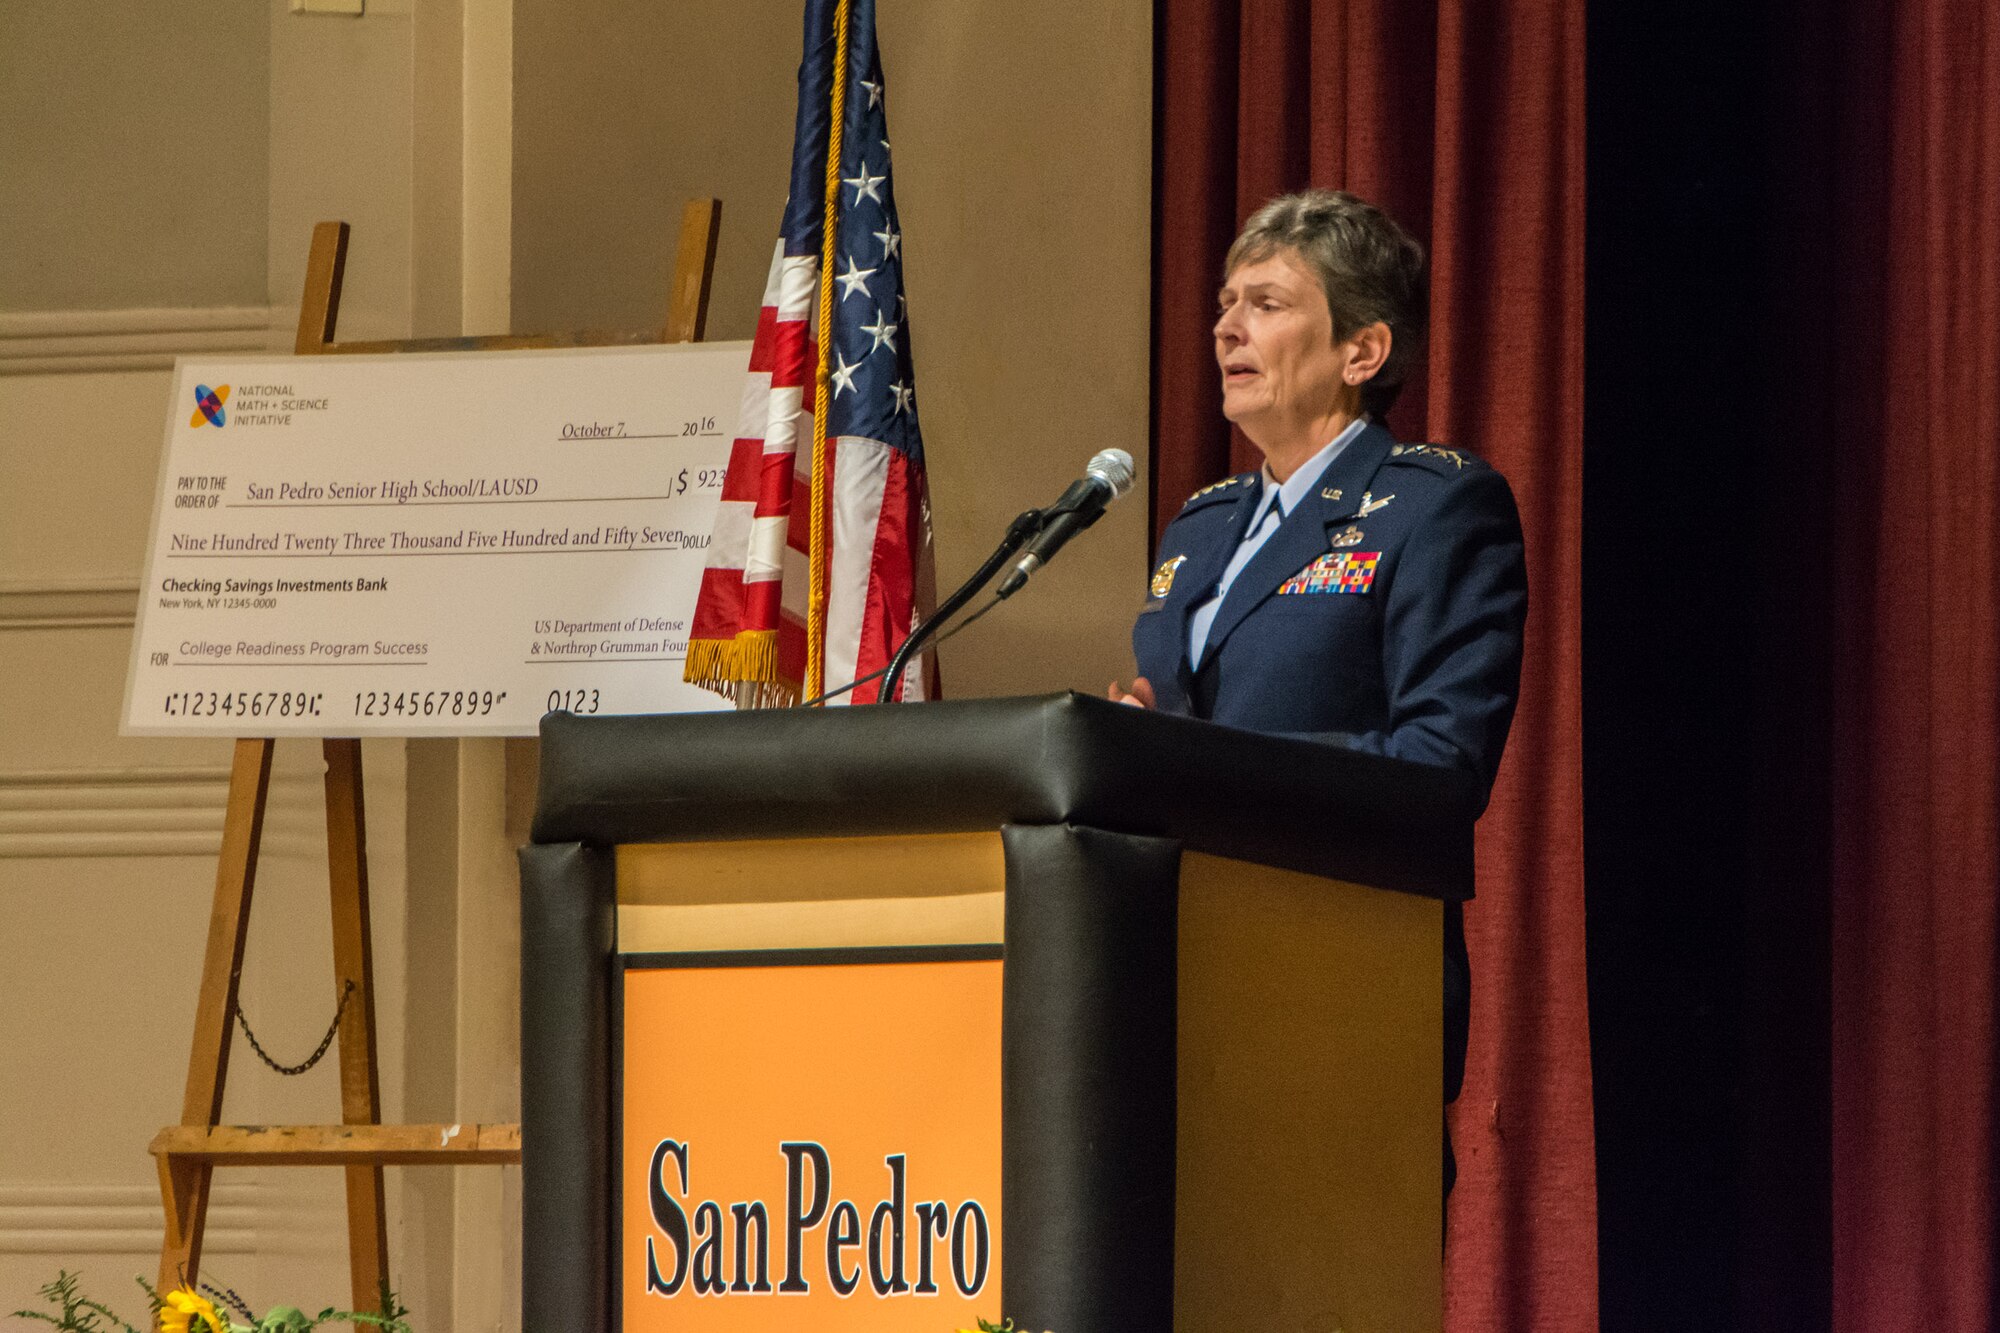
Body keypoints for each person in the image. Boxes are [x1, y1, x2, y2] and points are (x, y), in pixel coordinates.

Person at [1112, 189, 1528, 1198]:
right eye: (1222, 303)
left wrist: (1196, 772)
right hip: (1176, 974)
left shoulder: (1436, 507)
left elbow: (1438, 769)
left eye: (1264, 303)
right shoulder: (1199, 527)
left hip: (1341, 975)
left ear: (1361, 350)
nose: (1224, 327)